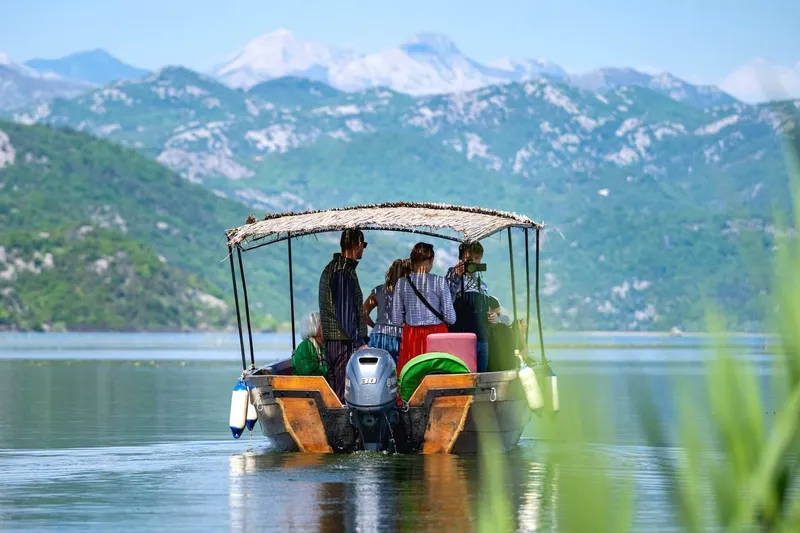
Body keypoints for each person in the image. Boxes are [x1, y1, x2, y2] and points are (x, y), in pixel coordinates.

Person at [318, 228, 370, 399]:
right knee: (344, 392)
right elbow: (345, 312)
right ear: (358, 245)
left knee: (339, 389)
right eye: (364, 245)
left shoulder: (336, 268)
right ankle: (343, 424)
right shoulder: (342, 272)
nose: (363, 250)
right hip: (343, 343)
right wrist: (359, 342)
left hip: (336, 341)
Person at [391, 242, 457, 375]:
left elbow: (396, 320)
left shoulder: (402, 283)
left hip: (412, 336)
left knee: (412, 376)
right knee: (437, 375)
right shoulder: (439, 282)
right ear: (431, 260)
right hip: (437, 335)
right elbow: (451, 318)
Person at [445, 241, 494, 372]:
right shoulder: (451, 279)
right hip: (460, 338)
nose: (474, 262)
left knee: (481, 377)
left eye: (477, 258)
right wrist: (456, 275)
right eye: (469, 259)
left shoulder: (482, 284)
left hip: (482, 338)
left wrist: (493, 317)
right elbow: (446, 302)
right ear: (460, 260)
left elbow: (486, 311)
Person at [363, 258, 410, 364]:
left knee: (377, 371)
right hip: (399, 336)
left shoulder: (378, 290)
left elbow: (363, 313)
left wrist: (375, 325)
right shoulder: (409, 293)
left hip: (378, 335)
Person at [291, 312, 328, 377]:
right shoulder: (306, 346)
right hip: (306, 385)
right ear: (315, 327)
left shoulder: (323, 344)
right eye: (322, 324)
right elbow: (308, 373)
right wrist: (331, 369)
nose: (327, 326)